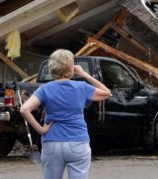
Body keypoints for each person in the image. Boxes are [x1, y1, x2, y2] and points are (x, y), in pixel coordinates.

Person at [20, 49, 111, 179]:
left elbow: (24, 109)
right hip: (77, 141)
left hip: (52, 142)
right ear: (71, 67)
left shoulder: (44, 89)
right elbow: (106, 92)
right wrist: (84, 74)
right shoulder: (81, 87)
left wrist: (41, 130)